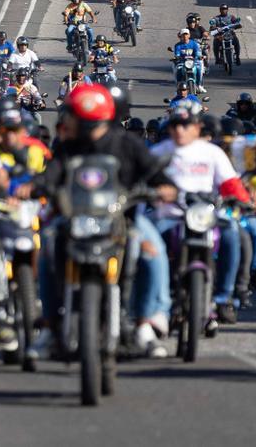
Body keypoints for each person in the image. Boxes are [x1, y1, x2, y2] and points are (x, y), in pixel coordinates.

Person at [31, 84, 177, 358]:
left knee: (151, 252)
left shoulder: (127, 143)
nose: (66, 121)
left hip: (124, 219)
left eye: (71, 115)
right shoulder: (68, 145)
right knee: (49, 247)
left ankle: (146, 323)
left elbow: (154, 172)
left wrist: (165, 187)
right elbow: (51, 176)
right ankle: (50, 327)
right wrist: (33, 186)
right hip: (75, 219)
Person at [151, 101, 251, 329]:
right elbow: (139, 180)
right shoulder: (158, 154)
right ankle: (153, 306)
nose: (180, 130)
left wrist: (242, 200)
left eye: (186, 125)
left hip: (205, 217)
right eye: (175, 125)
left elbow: (230, 183)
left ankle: (223, 298)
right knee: (145, 244)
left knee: (232, 234)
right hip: (169, 218)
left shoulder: (212, 153)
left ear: (197, 126)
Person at [172, 29, 205, 94]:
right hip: (182, 62)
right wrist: (177, 57)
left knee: (198, 69)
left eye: (186, 34)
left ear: (189, 35)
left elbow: (197, 52)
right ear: (180, 36)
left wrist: (199, 56)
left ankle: (199, 85)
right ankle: (179, 87)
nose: (185, 37)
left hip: (193, 62)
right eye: (183, 35)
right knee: (179, 70)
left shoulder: (194, 44)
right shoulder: (178, 45)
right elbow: (177, 54)